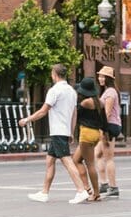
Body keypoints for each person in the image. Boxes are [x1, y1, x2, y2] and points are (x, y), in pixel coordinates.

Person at [19, 63, 89, 204]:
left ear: (55, 74)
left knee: (67, 161)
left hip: (58, 131)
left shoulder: (54, 90)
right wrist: (71, 131)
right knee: (50, 161)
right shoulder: (71, 91)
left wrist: (27, 120)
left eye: (52, 73)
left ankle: (81, 190)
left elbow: (43, 111)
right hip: (63, 131)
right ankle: (44, 193)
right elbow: (74, 113)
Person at [75, 76, 105, 201]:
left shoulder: (84, 103)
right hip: (96, 133)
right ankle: (87, 188)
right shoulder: (100, 102)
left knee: (90, 164)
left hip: (86, 133)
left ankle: (96, 193)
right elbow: (104, 121)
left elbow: (77, 117)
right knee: (76, 159)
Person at [96, 67, 122, 197]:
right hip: (110, 125)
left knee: (109, 158)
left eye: (103, 76)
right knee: (98, 154)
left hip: (109, 126)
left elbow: (107, 112)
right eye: (99, 76)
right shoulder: (107, 91)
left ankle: (113, 187)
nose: (100, 78)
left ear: (109, 79)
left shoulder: (110, 92)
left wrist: (102, 129)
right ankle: (104, 184)